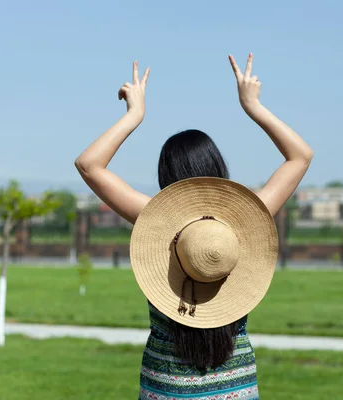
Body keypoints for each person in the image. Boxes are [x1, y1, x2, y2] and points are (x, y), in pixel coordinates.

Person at [75, 53, 313, 399]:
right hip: (237, 387)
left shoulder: (155, 222)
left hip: (165, 388)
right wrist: (253, 106)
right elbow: (300, 156)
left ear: (167, 179)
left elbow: (89, 165)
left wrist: (134, 115)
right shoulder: (246, 223)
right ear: (217, 167)